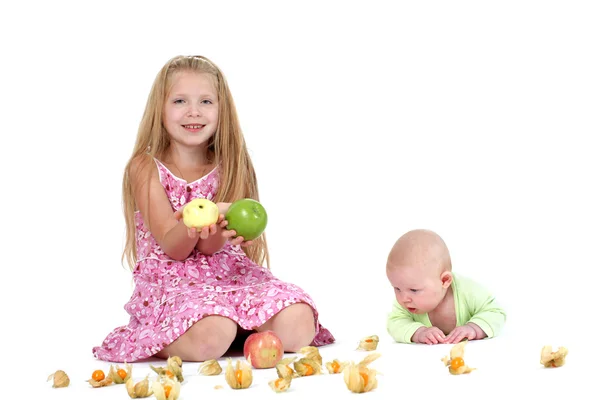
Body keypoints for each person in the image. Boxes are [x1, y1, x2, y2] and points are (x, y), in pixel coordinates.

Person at [92, 55, 335, 363]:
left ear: (221, 110)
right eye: (180, 100)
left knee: (299, 325)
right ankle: (164, 336)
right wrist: (194, 221)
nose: (193, 111)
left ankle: (237, 327)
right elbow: (174, 246)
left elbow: (209, 248)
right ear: (160, 109)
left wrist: (222, 226)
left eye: (206, 101)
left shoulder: (231, 164)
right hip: (175, 283)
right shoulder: (145, 166)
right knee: (211, 333)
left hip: (229, 276)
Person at [386, 229, 506, 345]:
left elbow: (496, 312)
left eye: (414, 290)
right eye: (397, 288)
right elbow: (395, 322)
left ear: (444, 280)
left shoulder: (469, 292)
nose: (403, 298)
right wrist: (418, 332)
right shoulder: (406, 303)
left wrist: (474, 328)